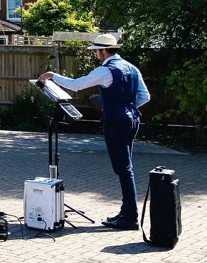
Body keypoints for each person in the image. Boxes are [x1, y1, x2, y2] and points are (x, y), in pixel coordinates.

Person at [38, 33, 150, 230]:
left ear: (104, 51)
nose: (95, 54)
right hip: (132, 119)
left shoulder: (106, 70)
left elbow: (76, 85)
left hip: (116, 121)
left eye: (96, 51)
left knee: (123, 169)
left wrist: (52, 76)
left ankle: (130, 217)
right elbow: (144, 96)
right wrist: (127, 108)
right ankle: (127, 211)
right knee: (126, 167)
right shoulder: (132, 68)